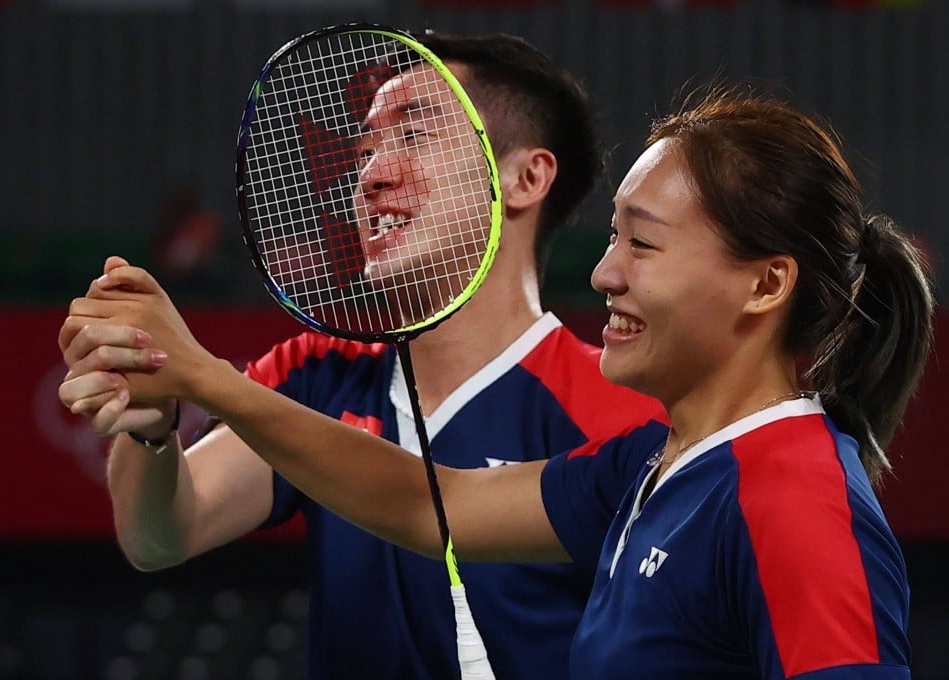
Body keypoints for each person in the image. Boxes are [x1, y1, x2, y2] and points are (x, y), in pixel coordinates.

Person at [61, 84, 934, 678]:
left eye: (643, 244)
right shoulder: (649, 468)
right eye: (612, 238)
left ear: (765, 283)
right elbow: (423, 503)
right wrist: (203, 384)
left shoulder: (796, 499)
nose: (605, 275)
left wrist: (206, 375)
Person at [58, 31, 665, 680]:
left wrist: (202, 376)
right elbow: (160, 537)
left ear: (524, 177)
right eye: (367, 150)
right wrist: (153, 428)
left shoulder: (622, 415)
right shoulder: (313, 375)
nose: (371, 176)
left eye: (414, 134)